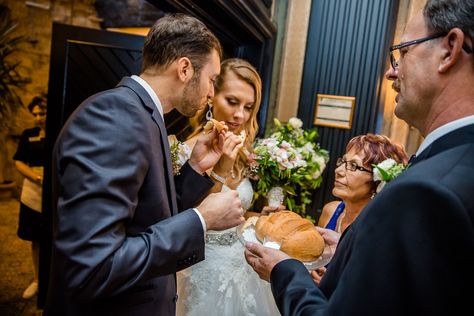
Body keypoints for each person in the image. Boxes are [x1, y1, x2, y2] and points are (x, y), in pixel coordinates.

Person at [245, 0, 474, 314]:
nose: (392, 72)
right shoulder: (458, 161)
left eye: (404, 52)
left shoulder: (427, 192)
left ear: (450, 49)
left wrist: (285, 271)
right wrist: (349, 252)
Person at [44, 14, 246, 316]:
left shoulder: (145, 116)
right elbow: (93, 268)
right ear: (185, 68)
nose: (210, 93)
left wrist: (194, 168)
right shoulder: (115, 117)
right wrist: (201, 220)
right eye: (212, 79)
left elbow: (147, 218)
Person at [175, 58, 281, 315]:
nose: (240, 115)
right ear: (211, 96)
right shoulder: (185, 154)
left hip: (242, 264)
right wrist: (221, 169)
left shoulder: (244, 151)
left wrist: (256, 217)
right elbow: (185, 216)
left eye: (248, 107)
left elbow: (235, 215)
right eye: (232, 102)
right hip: (200, 269)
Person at [312, 134, 408, 284]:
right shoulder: (330, 211)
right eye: (343, 162)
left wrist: (332, 284)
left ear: (377, 180)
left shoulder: (378, 230)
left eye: (353, 166)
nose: (338, 170)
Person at [13, 95, 47, 299]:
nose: (38, 117)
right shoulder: (28, 134)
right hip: (32, 192)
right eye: (34, 114)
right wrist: (36, 176)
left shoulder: (59, 129)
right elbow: (18, 161)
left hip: (56, 192)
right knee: (36, 240)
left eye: (41, 113)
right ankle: (37, 280)